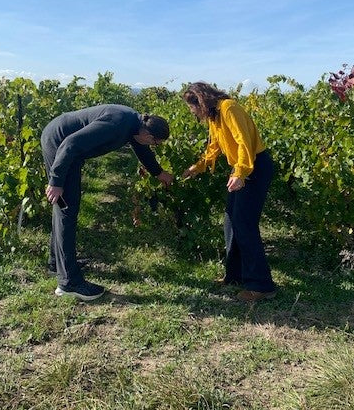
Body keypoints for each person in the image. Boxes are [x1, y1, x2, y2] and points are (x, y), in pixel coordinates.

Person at [41, 104, 173, 301]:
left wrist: (159, 173)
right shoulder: (117, 124)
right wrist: (56, 181)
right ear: (147, 133)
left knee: (66, 208)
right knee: (66, 209)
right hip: (59, 143)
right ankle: (69, 283)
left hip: (70, 150)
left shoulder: (134, 128)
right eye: (155, 143)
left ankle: (56, 264)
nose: (154, 146)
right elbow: (70, 144)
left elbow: (142, 150)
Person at [182, 82, 275, 303]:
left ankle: (261, 286)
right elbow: (214, 146)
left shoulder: (229, 108)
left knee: (244, 224)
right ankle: (235, 275)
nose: (192, 112)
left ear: (201, 101)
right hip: (242, 169)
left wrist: (241, 173)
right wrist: (198, 167)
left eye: (192, 107)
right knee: (231, 221)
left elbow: (245, 142)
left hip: (255, 167)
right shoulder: (215, 117)